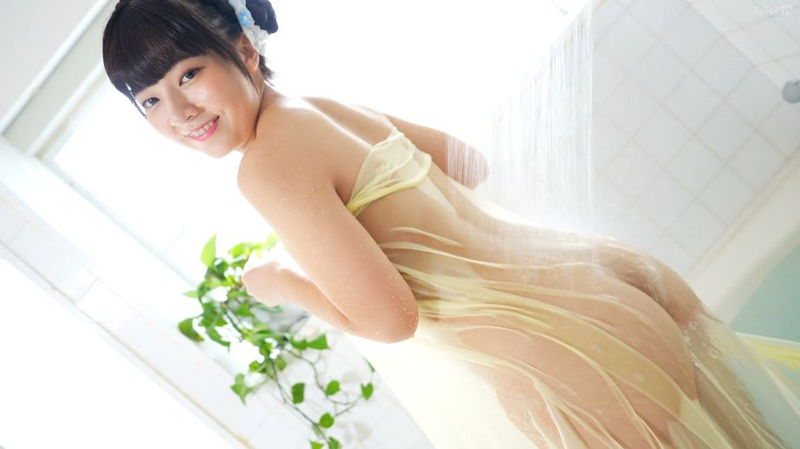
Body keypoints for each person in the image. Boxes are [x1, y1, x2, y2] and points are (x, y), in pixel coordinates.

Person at [102, 1, 800, 448]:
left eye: (188, 74)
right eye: (149, 99)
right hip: (607, 276)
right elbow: (469, 163)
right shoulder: (324, 108)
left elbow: (390, 319)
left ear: (245, 52)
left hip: (564, 356)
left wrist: (285, 283)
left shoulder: (266, 166)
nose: (177, 112)